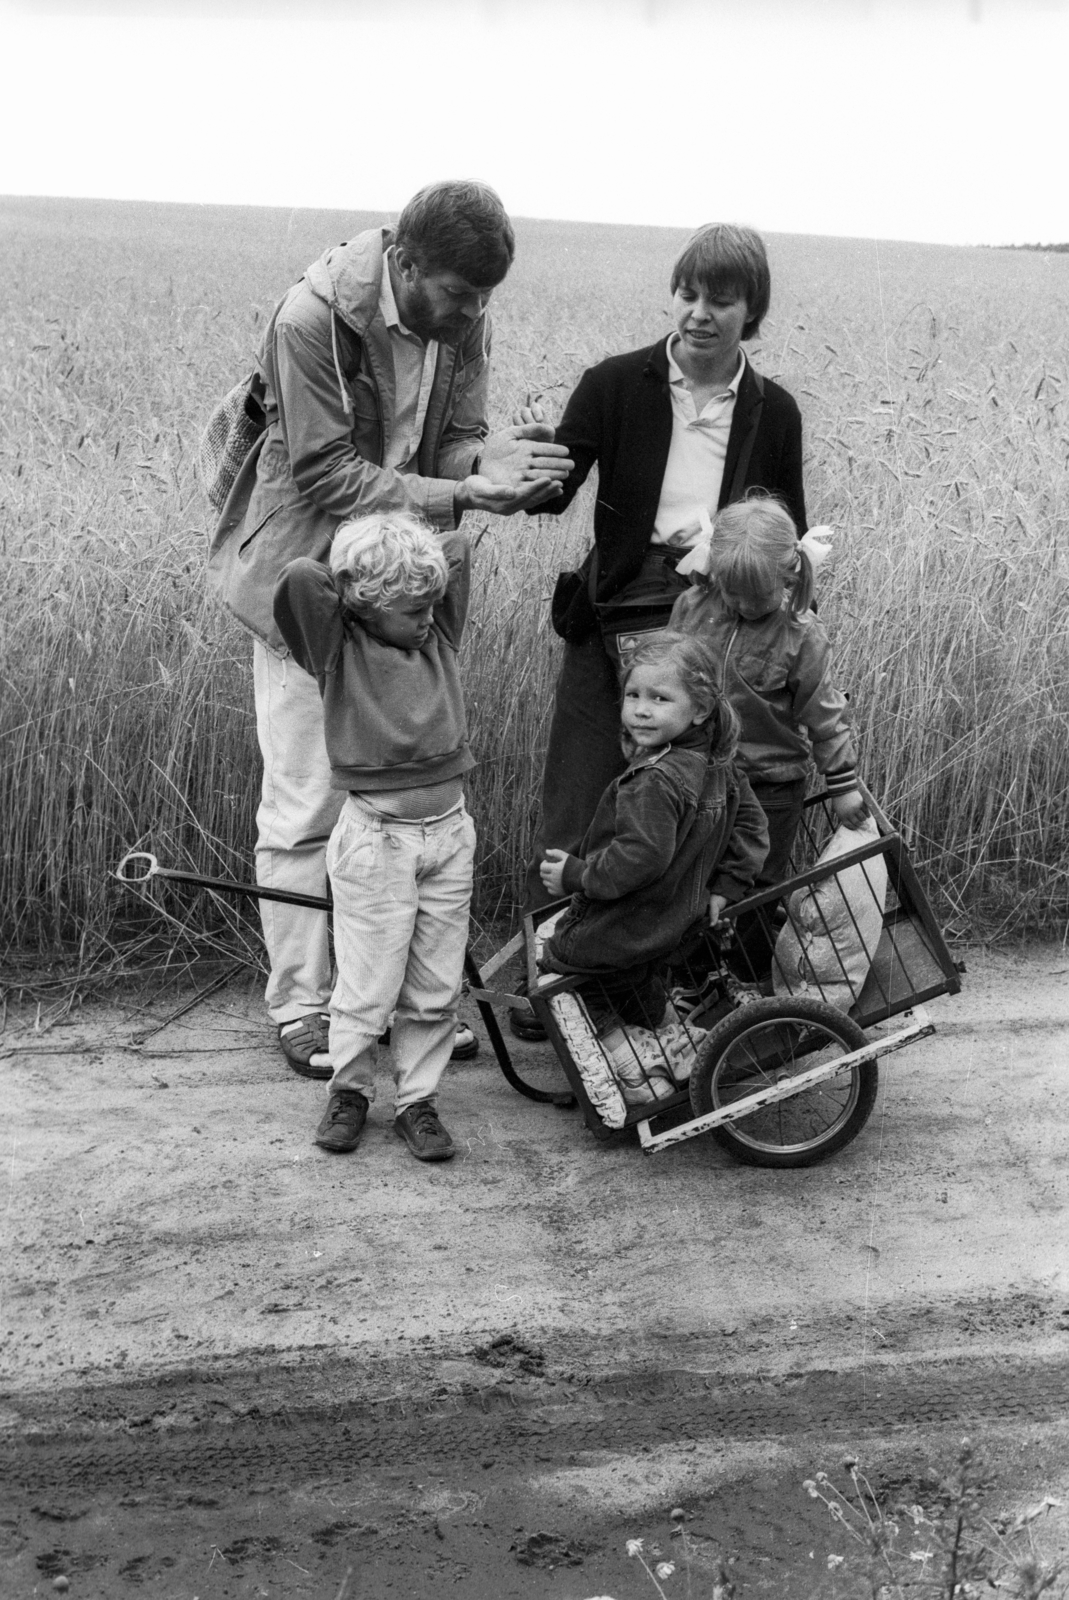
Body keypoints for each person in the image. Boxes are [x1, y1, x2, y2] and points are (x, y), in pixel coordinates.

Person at [206, 180, 572, 1077]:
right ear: (404, 264)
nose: (473, 315)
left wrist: (492, 461)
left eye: (485, 299)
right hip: (310, 584)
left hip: (410, 588)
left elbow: (455, 438)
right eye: (458, 295)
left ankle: (405, 1008)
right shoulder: (310, 320)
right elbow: (327, 472)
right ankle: (303, 1007)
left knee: (411, 806)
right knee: (307, 803)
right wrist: (459, 491)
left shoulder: (459, 315)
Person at [511, 220, 805, 1037]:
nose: (698, 312)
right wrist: (522, 462)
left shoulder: (771, 411)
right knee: (578, 790)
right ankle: (557, 979)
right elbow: (552, 492)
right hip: (611, 603)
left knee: (689, 803)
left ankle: (660, 983)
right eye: (686, 292)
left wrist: (784, 640)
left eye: (720, 298)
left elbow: (789, 534)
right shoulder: (613, 383)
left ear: (751, 311)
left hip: (707, 614)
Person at [272, 512, 476, 1161]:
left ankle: (418, 1100)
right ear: (364, 603)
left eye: (429, 604)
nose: (426, 617)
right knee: (366, 981)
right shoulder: (337, 649)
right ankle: (351, 1089)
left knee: (435, 984)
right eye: (412, 607)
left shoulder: (437, 632)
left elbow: (458, 548)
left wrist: (409, 564)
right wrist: (358, 577)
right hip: (376, 841)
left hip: (448, 836)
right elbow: (303, 579)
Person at [669, 495, 866, 975]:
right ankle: (692, 982)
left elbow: (824, 714)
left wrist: (843, 786)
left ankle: (749, 987)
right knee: (694, 878)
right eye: (731, 592)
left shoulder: (801, 634)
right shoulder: (692, 609)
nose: (743, 605)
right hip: (699, 779)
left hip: (771, 785)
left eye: (758, 596)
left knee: (757, 886)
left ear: (790, 577)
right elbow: (666, 679)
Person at [537, 632, 768, 1029]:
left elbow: (640, 856)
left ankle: (626, 1056)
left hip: (626, 927)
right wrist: (727, 886)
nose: (641, 710)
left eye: (660, 699)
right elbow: (752, 825)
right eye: (633, 695)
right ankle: (659, 1033)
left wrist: (577, 875)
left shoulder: (655, 781)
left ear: (700, 709)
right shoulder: (718, 766)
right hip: (673, 924)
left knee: (560, 956)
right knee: (635, 985)